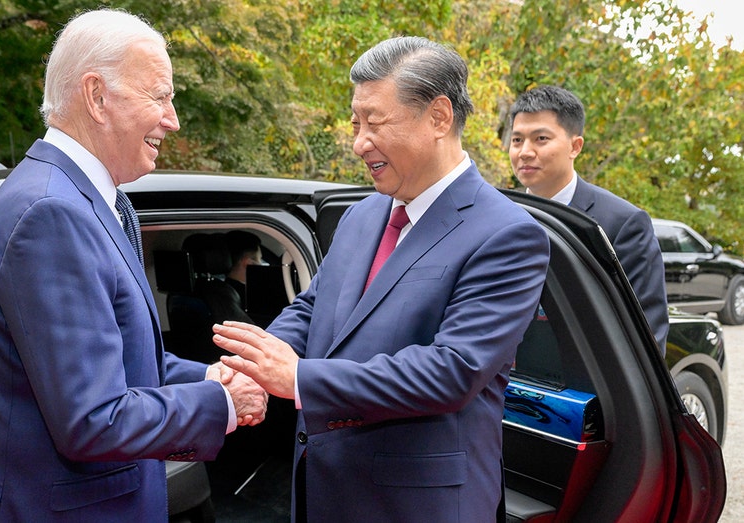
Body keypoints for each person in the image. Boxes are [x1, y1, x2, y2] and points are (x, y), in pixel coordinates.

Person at [212, 37, 551, 522]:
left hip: (416, 503)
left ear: (438, 117)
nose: (358, 143)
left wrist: (300, 378)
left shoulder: (506, 234)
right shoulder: (361, 215)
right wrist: (255, 360)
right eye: (355, 124)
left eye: (375, 123)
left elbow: (452, 370)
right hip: (324, 488)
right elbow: (315, 308)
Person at [0, 9, 267, 522]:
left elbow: (126, 363)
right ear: (96, 96)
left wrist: (211, 376)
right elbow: (92, 419)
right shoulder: (52, 214)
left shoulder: (97, 201)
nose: (173, 119)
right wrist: (224, 405)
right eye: (159, 96)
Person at [508, 85, 669, 354]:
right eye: (517, 140)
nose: (525, 151)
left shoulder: (623, 224)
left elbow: (646, 337)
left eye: (541, 139)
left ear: (575, 146)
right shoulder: (500, 212)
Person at [224, 230, 263, 310]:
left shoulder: (222, 290)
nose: (261, 264)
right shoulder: (250, 297)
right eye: (260, 259)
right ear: (249, 263)